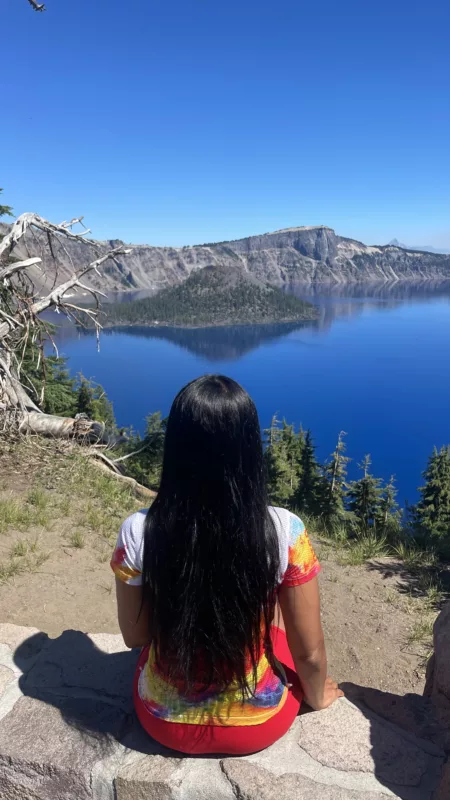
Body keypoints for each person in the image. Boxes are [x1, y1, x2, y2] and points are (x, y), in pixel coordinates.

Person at [111, 375, 342, 755]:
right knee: (280, 622)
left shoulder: (139, 531)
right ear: (249, 448)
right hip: (258, 724)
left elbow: (137, 638)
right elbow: (310, 652)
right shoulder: (284, 530)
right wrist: (316, 697)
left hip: (162, 721)